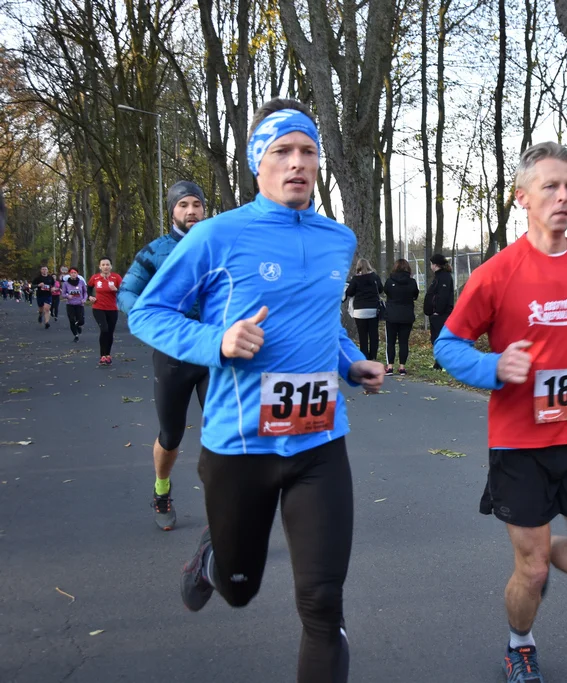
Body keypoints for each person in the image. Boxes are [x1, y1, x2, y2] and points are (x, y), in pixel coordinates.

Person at [129, 98, 383, 683]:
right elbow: (148, 313)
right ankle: (218, 552)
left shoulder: (337, 239)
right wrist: (217, 340)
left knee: (322, 604)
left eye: (308, 151)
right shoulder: (216, 236)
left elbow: (320, 320)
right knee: (238, 590)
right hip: (240, 446)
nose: (298, 163)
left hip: (320, 443)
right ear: (256, 163)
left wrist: (351, 362)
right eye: (282, 152)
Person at [434, 141, 567, 683]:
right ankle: (520, 642)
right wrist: (493, 367)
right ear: (523, 197)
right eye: (551, 186)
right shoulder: (496, 273)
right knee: (532, 566)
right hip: (519, 443)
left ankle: (539, 560)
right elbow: (447, 346)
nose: (564, 197)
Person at [119, 180, 210, 531]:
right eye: (183, 204)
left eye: (196, 204)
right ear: (172, 210)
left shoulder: (218, 245)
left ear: (204, 209)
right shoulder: (155, 251)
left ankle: (227, 502)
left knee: (224, 430)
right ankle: (161, 489)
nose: (191, 211)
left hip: (214, 353)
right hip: (173, 356)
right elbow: (127, 294)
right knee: (171, 435)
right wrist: (159, 323)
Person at [383, 258, 419, 376]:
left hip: (392, 315)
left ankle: (390, 366)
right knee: (404, 342)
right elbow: (415, 295)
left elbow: (386, 292)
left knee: (391, 342)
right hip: (407, 315)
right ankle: (402, 367)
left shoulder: (389, 281)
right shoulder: (412, 282)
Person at [345, 258, 384, 361]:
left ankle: (364, 356)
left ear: (358, 267)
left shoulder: (355, 279)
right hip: (373, 309)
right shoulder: (375, 277)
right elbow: (380, 289)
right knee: (373, 334)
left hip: (360, 310)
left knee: (363, 335)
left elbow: (349, 293)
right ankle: (373, 356)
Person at [88, 258, 123, 365]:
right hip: (98, 307)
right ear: (100, 267)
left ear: (111, 266)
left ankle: (108, 354)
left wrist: (116, 290)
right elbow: (88, 288)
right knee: (104, 328)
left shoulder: (116, 277)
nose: (105, 267)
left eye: (107, 264)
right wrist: (90, 296)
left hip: (112, 308)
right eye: (103, 265)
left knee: (110, 332)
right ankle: (102, 355)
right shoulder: (95, 278)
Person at [424, 253, 454, 370]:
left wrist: (438, 310)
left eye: (431, 264)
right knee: (435, 338)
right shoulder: (438, 277)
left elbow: (443, 296)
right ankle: (438, 362)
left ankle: (441, 363)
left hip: (441, 314)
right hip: (435, 313)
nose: (430, 266)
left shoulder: (444, 277)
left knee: (439, 338)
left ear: (435, 265)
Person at [62, 269, 88, 341]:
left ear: (77, 274)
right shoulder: (66, 283)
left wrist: (84, 299)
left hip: (79, 304)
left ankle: (78, 325)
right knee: (72, 320)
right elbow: (63, 294)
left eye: (75, 273)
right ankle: (76, 335)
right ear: (69, 274)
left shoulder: (81, 282)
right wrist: (67, 296)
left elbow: (85, 292)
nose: (73, 274)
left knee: (81, 320)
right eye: (72, 273)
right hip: (70, 304)